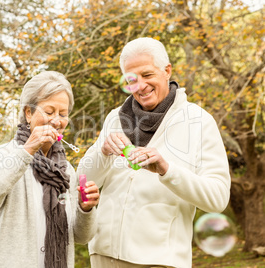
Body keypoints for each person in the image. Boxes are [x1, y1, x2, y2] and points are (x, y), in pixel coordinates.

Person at [77, 37, 231, 268]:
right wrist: (103, 151)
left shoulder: (198, 122)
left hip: (159, 261)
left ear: (166, 71)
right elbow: (84, 180)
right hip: (103, 256)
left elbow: (218, 198)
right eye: (132, 79)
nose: (140, 86)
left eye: (147, 75)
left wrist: (166, 170)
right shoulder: (115, 118)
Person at [0, 71, 99, 268]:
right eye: (49, 111)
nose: (57, 120)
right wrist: (27, 150)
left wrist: (86, 209)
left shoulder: (66, 171)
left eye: (63, 114)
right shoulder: (6, 154)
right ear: (28, 113)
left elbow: (81, 237)